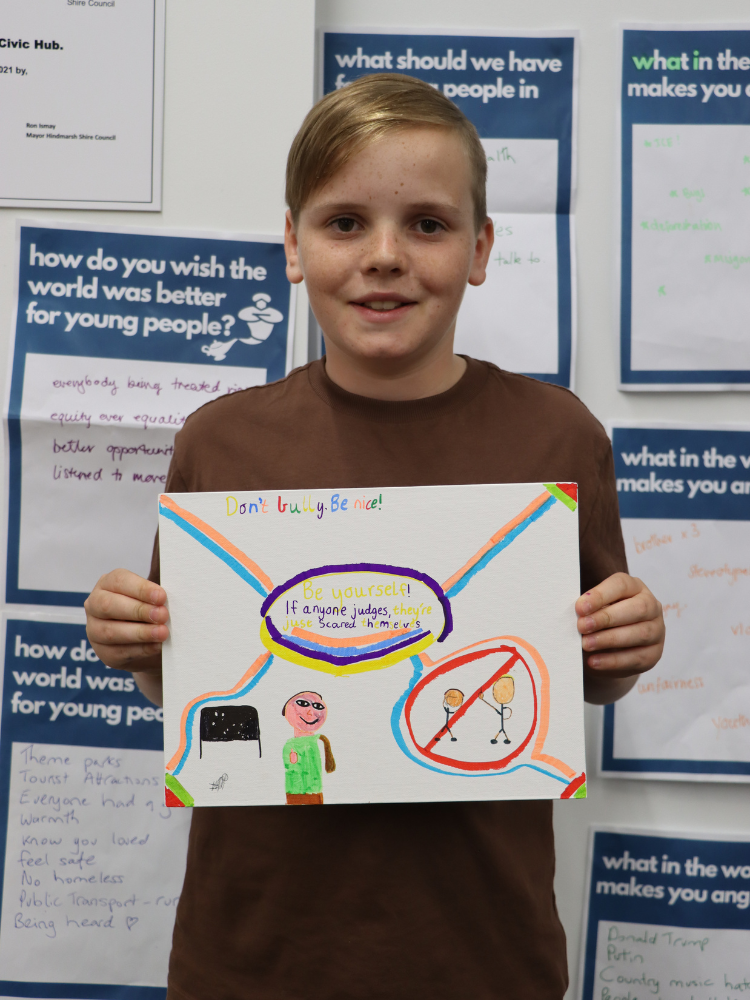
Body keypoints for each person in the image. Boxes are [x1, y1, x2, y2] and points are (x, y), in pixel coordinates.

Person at [84, 74, 665, 1000]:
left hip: (484, 956)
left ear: (480, 249)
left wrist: (628, 643)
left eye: (427, 225)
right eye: (345, 223)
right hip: (253, 958)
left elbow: (591, 675)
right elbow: (184, 683)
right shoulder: (220, 441)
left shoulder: (557, 437)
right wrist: (134, 642)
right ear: (293, 244)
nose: (384, 257)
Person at [281, 691, 335, 804]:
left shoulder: (318, 742)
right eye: (302, 703)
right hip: (294, 793)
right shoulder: (289, 744)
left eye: (318, 706)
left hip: (315, 793)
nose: (311, 712)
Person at [480, 675, 515, 745]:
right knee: (502, 728)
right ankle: (503, 737)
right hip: (501, 701)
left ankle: (501, 737)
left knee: (502, 728)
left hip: (502, 701)